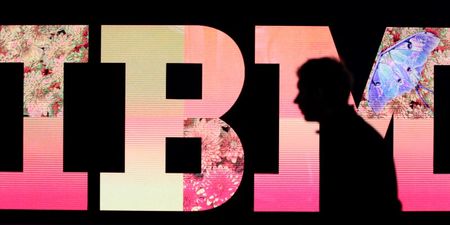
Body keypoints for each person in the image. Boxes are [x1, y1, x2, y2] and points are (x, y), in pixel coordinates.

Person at [294, 57, 402, 222]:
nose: (297, 100)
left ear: (319, 92)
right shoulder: (356, 136)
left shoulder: (349, 142)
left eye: (302, 91)